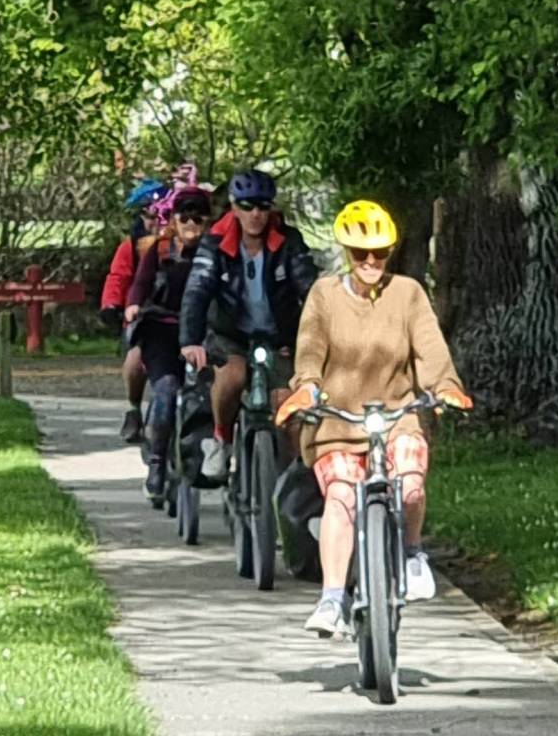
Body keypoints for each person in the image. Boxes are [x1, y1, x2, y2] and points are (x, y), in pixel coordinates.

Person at [272, 200, 473, 638]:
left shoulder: (408, 294)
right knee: (342, 497)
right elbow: (309, 350)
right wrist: (305, 386)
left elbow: (430, 347)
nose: (370, 262)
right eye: (360, 253)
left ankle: (413, 553)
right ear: (345, 251)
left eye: (378, 253)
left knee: (412, 482)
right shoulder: (324, 295)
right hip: (338, 422)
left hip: (396, 415)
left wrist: (444, 387)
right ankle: (331, 600)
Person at [178, 168, 318, 480]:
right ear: (233, 206)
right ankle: (220, 440)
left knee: (289, 403)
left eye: (263, 206)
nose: (255, 214)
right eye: (247, 205)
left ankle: (298, 480)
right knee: (232, 377)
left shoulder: (289, 241)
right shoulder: (214, 242)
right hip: (231, 334)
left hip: (279, 336)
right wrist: (190, 340)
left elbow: (310, 289)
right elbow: (197, 290)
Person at [123, 185, 214, 499]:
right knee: (165, 391)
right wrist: (133, 306)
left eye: (198, 215)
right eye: (183, 214)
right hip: (162, 329)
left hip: (204, 334)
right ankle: (158, 464)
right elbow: (140, 284)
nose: (191, 221)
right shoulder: (159, 250)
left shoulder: (216, 252)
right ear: (173, 218)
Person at [102, 178, 169, 442]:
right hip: (143, 316)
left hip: (177, 315)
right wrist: (112, 304)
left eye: (160, 215)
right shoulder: (131, 246)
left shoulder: (178, 244)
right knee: (134, 364)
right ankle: (133, 408)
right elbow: (118, 277)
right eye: (148, 215)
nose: (154, 222)